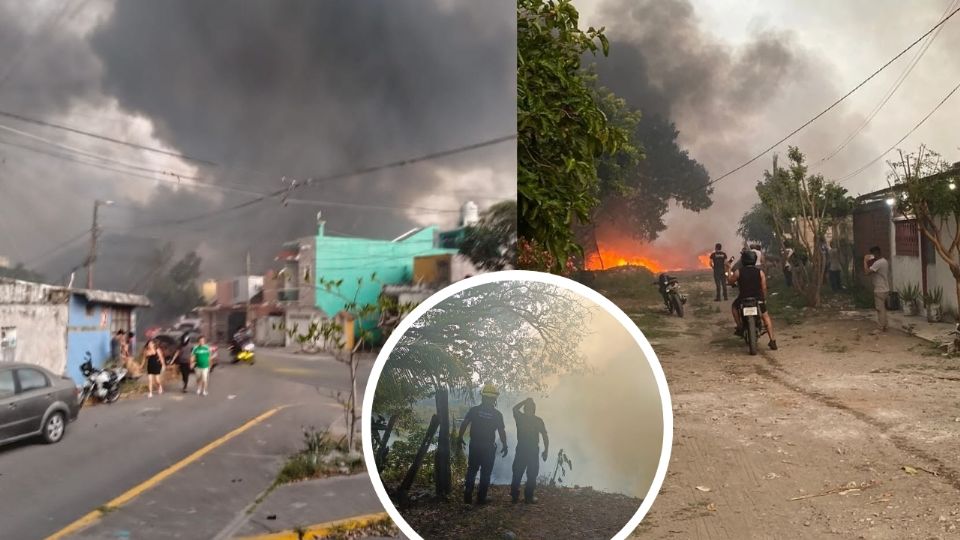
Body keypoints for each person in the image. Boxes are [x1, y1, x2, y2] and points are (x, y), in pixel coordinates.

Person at [458, 383, 507, 505]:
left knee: (472, 470)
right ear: (494, 399)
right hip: (488, 447)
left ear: (483, 397)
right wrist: (505, 445)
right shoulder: (497, 415)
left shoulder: (474, 410)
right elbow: (501, 432)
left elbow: (464, 423)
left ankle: (467, 497)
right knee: (486, 472)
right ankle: (481, 498)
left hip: (474, 445)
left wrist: (459, 438)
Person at [728, 250, 778, 350]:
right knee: (765, 316)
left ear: (743, 260)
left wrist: (728, 268)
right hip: (757, 298)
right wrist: (763, 299)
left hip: (743, 299)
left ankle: (740, 327)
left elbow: (730, 281)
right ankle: (772, 340)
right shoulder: (760, 272)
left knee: (734, 308)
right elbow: (764, 287)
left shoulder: (738, 272)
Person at [510, 397, 549, 504]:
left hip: (523, 449)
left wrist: (524, 401)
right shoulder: (537, 420)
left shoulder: (520, 418)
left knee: (519, 472)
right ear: (533, 409)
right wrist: (546, 451)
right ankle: (528, 497)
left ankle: (515, 496)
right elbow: (545, 436)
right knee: (531, 474)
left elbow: (514, 408)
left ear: (525, 409)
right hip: (532, 450)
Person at [864, 246, 890, 333]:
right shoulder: (884, 261)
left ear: (876, 253)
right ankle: (885, 325)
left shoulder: (878, 263)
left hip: (880, 289)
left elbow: (867, 272)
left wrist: (865, 261)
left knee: (880, 309)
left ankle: (880, 327)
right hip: (885, 288)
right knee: (883, 308)